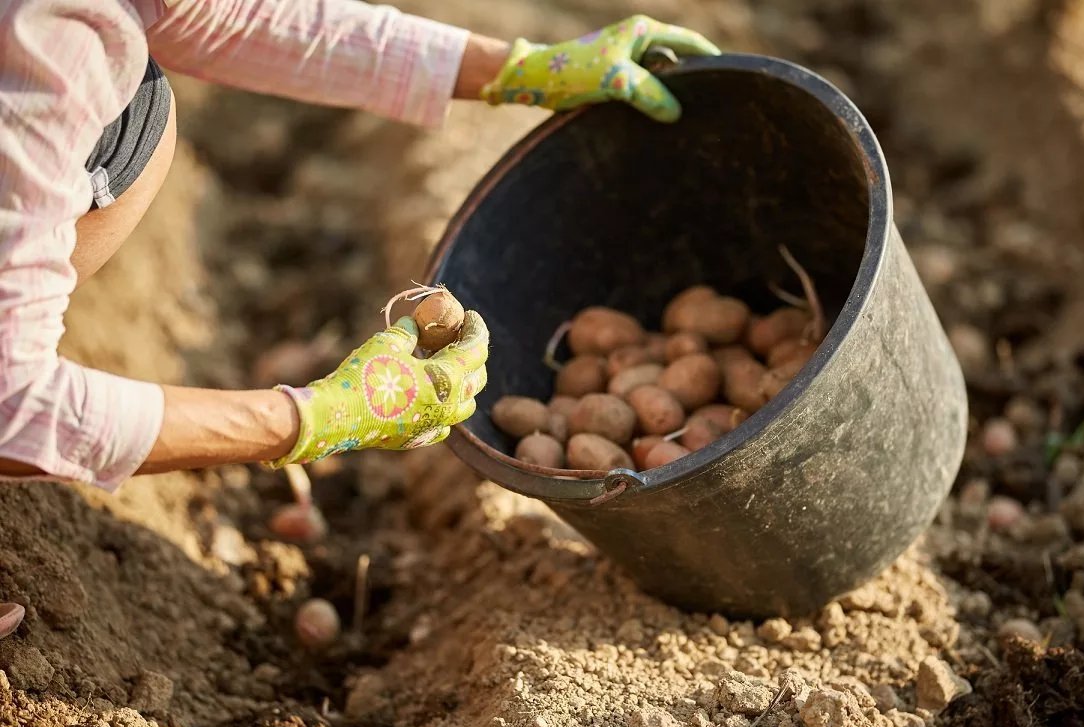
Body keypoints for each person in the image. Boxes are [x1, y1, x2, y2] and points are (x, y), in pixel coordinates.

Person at [0, 1, 719, 491]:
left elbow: (215, 17)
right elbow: (11, 405)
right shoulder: (47, 40)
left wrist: (514, 69)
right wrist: (315, 418)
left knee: (137, 113)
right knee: (134, 128)